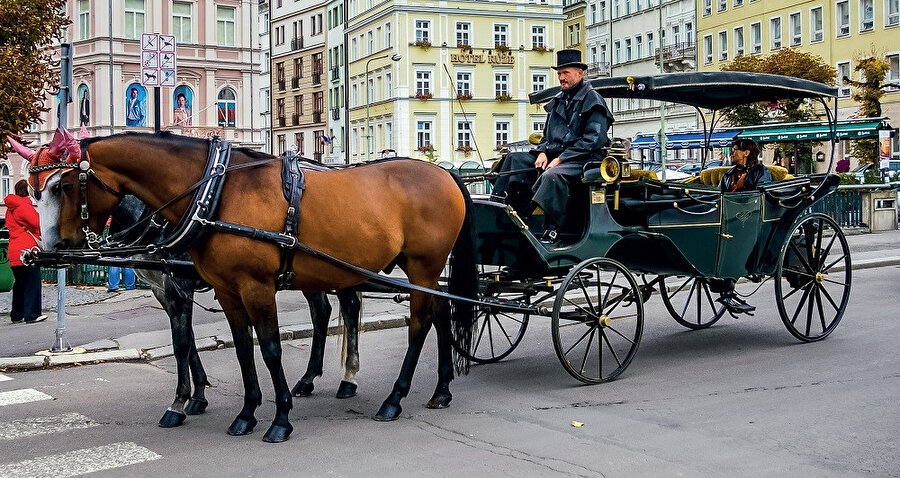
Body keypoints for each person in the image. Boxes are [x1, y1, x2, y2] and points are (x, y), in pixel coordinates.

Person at [490, 49, 614, 244]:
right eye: (559, 73)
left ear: (579, 74)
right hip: (556, 156)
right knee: (513, 159)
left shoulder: (593, 100)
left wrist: (561, 158)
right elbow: (547, 136)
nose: (561, 78)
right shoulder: (559, 101)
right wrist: (542, 152)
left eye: (566, 73)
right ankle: (501, 205)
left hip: (584, 159)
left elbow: (593, 140)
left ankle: (553, 228)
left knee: (552, 177)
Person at [714, 138, 771, 315]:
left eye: (735, 149)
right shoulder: (728, 175)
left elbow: (763, 194)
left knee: (733, 241)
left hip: (750, 219)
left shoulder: (761, 172)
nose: (732, 153)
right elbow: (717, 195)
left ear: (746, 153)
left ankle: (728, 284)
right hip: (728, 218)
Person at [3, 180, 46, 324]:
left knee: (20, 283)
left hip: (14, 250)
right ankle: (32, 314)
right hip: (27, 251)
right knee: (32, 282)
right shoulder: (24, 206)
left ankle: (16, 315)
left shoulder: (10, 208)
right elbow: (37, 223)